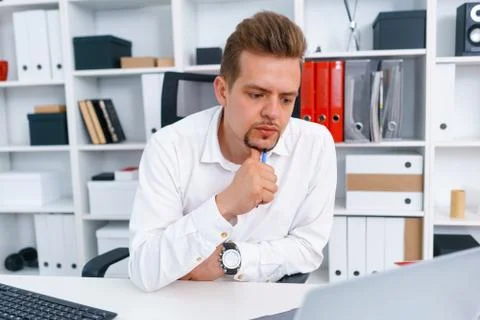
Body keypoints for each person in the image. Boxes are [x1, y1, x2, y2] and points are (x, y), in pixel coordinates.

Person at [128, 10, 337, 292]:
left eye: (286, 99)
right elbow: (144, 268)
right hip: (187, 301)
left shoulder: (315, 145)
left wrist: (228, 260)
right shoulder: (169, 146)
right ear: (223, 91)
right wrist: (224, 205)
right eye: (256, 95)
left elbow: (308, 248)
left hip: (265, 299)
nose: (273, 113)